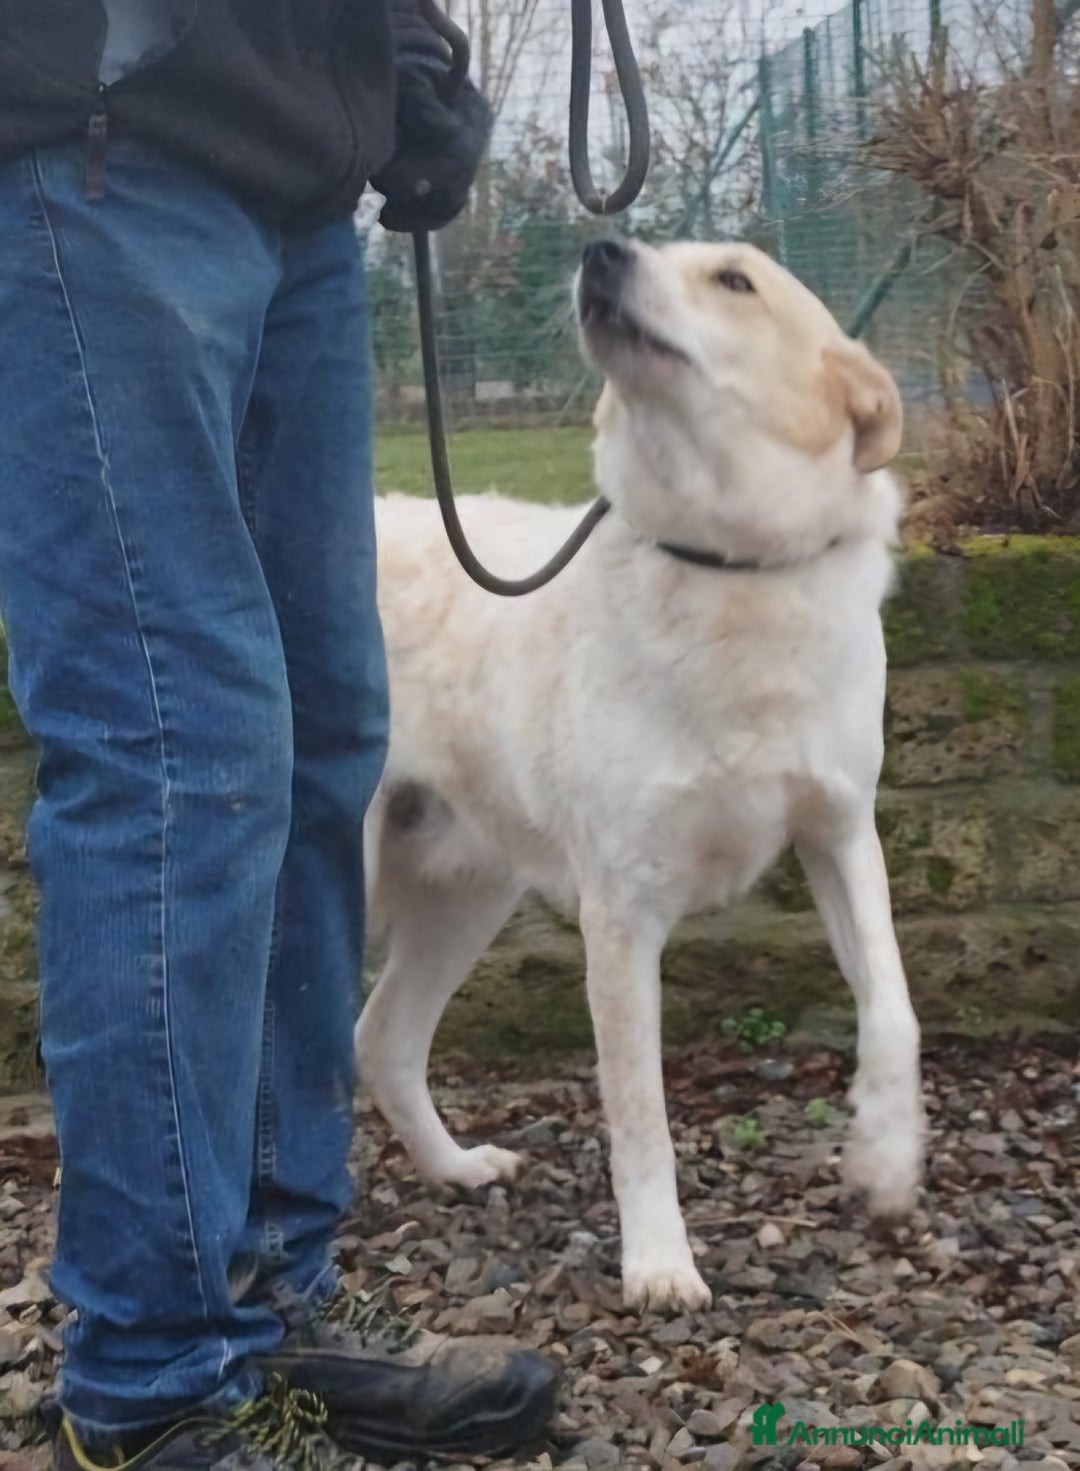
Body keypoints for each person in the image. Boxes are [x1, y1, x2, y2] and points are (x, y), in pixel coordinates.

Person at [0, 3, 558, 1467]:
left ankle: (263, 1303)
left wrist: (409, 51)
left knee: (322, 744)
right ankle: (152, 1376)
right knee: (179, 748)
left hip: (298, 188)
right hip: (102, 138)